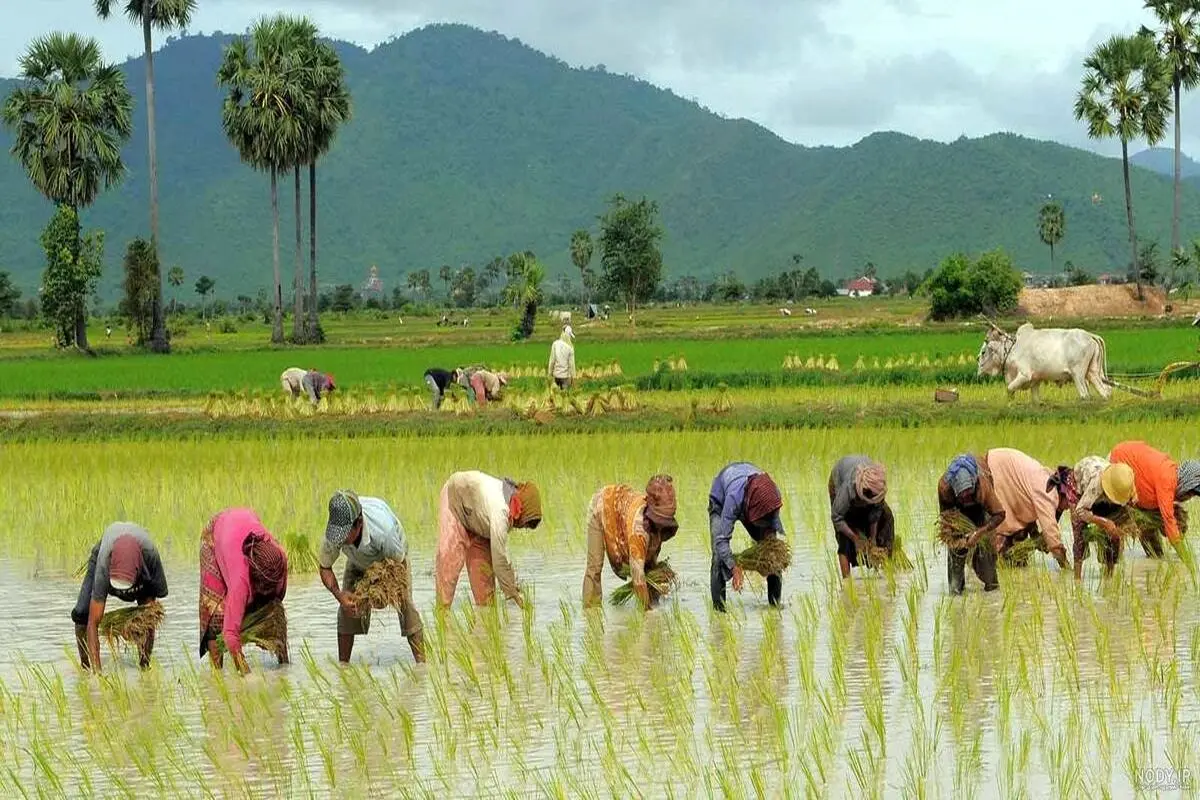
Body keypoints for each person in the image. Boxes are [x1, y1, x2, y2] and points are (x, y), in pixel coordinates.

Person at [319, 490, 425, 664]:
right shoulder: (334, 533)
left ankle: (423, 667)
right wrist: (339, 595)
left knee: (406, 606)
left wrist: (379, 592)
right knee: (346, 611)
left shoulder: (384, 531)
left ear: (359, 523)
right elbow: (325, 567)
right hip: (357, 561)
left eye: (344, 534)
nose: (340, 539)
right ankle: (343, 667)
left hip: (391, 561)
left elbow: (398, 565)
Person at [198, 508, 289, 674]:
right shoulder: (241, 580)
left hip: (245, 520)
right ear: (253, 575)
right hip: (217, 533)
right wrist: (245, 673)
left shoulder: (280, 558)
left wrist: (267, 628)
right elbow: (230, 633)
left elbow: (278, 602)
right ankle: (217, 676)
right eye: (263, 584)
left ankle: (284, 664)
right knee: (216, 615)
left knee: (274, 615)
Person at [434, 470, 542, 608]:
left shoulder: (506, 510)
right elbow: (500, 557)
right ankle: (442, 618)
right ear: (522, 510)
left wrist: (511, 584)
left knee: (486, 595)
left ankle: (484, 624)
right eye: (526, 523)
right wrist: (512, 591)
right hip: (456, 500)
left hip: (479, 521)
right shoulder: (501, 511)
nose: (523, 528)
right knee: (449, 565)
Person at [71, 522, 168, 672]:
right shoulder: (104, 562)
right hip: (105, 556)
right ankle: (85, 668)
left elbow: (150, 612)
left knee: (145, 617)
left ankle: (144, 666)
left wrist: (134, 627)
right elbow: (93, 622)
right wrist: (97, 677)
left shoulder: (150, 557)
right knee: (81, 615)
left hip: (141, 564)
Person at [582, 475, 679, 610]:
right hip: (602, 506)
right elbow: (638, 578)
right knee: (595, 567)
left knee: (649, 568)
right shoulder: (638, 530)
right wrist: (647, 612)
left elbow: (649, 563)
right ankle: (590, 612)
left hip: (623, 506)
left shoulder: (659, 525)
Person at [709, 462, 786, 612]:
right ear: (752, 513)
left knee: (772, 555)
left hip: (751, 497)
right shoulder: (733, 499)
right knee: (718, 557)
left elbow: (772, 525)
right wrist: (734, 566)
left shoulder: (772, 496)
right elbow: (721, 541)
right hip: (721, 500)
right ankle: (719, 614)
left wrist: (767, 554)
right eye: (761, 520)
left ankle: (775, 608)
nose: (763, 523)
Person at [1109, 440, 1200, 556]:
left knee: (1168, 522)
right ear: (1186, 483)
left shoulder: (1171, 476)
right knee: (1122, 533)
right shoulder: (1167, 480)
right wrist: (1187, 560)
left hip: (1139, 485)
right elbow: (1169, 520)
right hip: (1118, 462)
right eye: (1191, 493)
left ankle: (1154, 555)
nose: (1189, 497)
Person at [938, 453, 1005, 594]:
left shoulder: (983, 486)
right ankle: (956, 594)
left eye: (969, 493)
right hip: (957, 514)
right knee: (955, 559)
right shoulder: (945, 489)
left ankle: (991, 590)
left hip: (981, 512)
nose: (967, 498)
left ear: (975, 484)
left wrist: (979, 533)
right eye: (963, 495)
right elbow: (946, 522)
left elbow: (1000, 514)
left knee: (986, 559)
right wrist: (960, 541)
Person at [1070, 456, 1137, 579]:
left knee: (1114, 536)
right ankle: (1077, 580)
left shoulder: (1126, 481)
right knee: (1079, 532)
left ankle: (1108, 577)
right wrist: (1103, 522)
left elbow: (1132, 498)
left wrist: (1128, 522)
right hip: (1079, 489)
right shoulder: (1096, 484)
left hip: (1104, 491)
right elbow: (1080, 511)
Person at [828, 455, 895, 578]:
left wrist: (873, 538)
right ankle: (847, 583)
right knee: (844, 537)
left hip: (868, 486)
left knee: (887, 518)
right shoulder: (848, 490)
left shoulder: (878, 487)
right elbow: (837, 517)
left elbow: (875, 513)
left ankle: (887, 575)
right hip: (840, 477)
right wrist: (855, 538)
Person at [548, 325, 576, 389]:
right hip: (565, 378)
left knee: (556, 396)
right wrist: (573, 379)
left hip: (556, 376)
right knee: (565, 397)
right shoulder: (570, 348)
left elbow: (552, 361)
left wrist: (549, 374)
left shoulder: (555, 344)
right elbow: (572, 365)